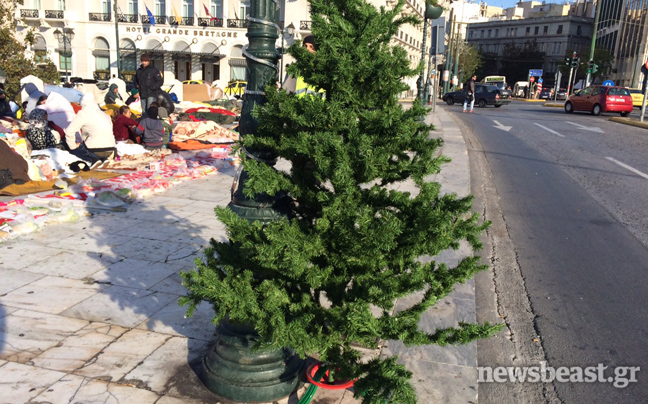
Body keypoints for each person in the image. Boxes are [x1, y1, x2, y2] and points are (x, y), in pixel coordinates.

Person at [64, 93, 116, 160]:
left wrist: (73, 147)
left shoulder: (83, 114)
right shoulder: (105, 115)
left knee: (71, 153)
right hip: (111, 149)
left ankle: (93, 161)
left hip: (94, 150)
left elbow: (69, 131)